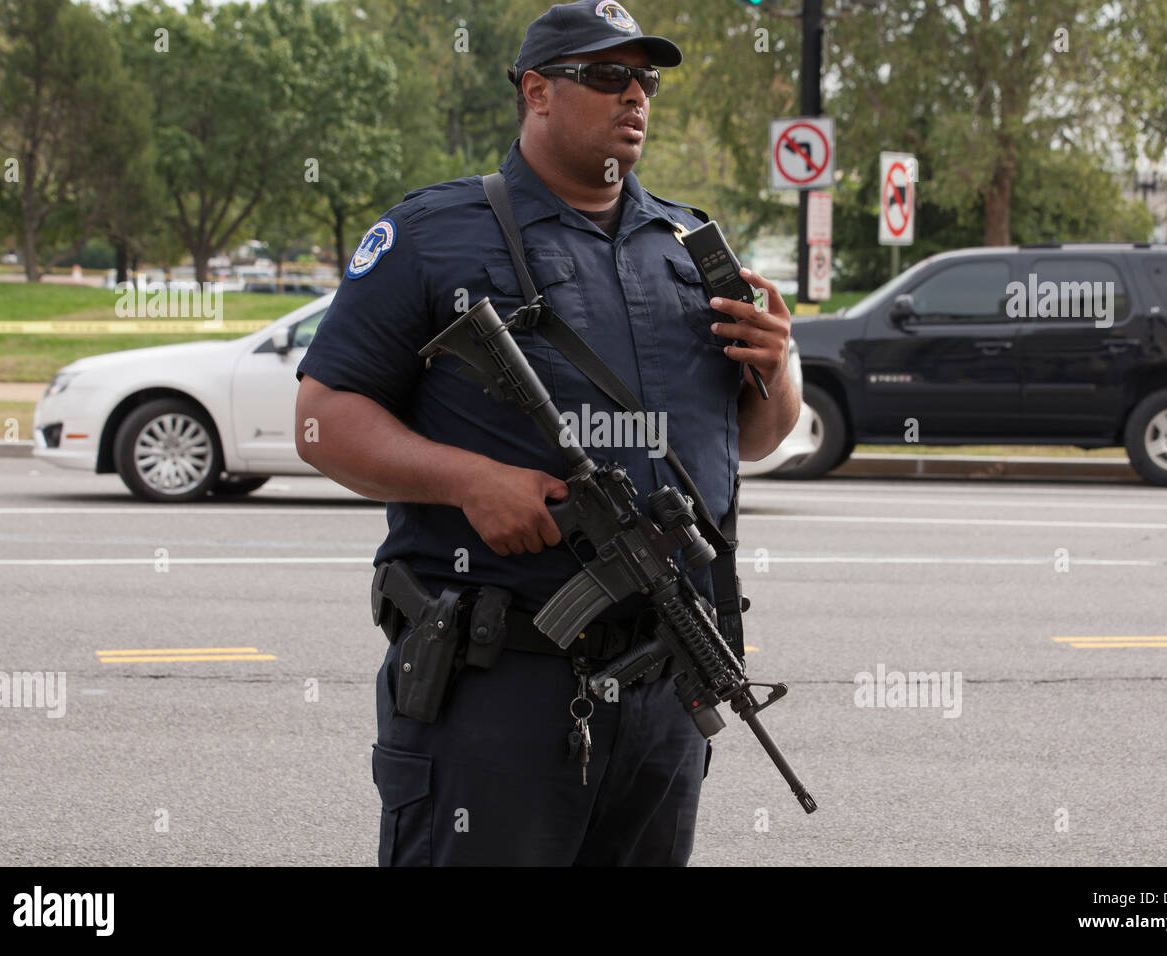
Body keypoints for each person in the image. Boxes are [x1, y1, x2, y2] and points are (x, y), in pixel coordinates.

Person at [295, 0, 799, 866]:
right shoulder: (430, 234)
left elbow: (754, 439)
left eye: (645, 78)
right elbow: (321, 420)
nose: (634, 96)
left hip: (664, 680)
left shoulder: (685, 243)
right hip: (500, 682)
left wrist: (778, 367)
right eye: (607, 76)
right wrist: (467, 480)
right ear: (536, 90)